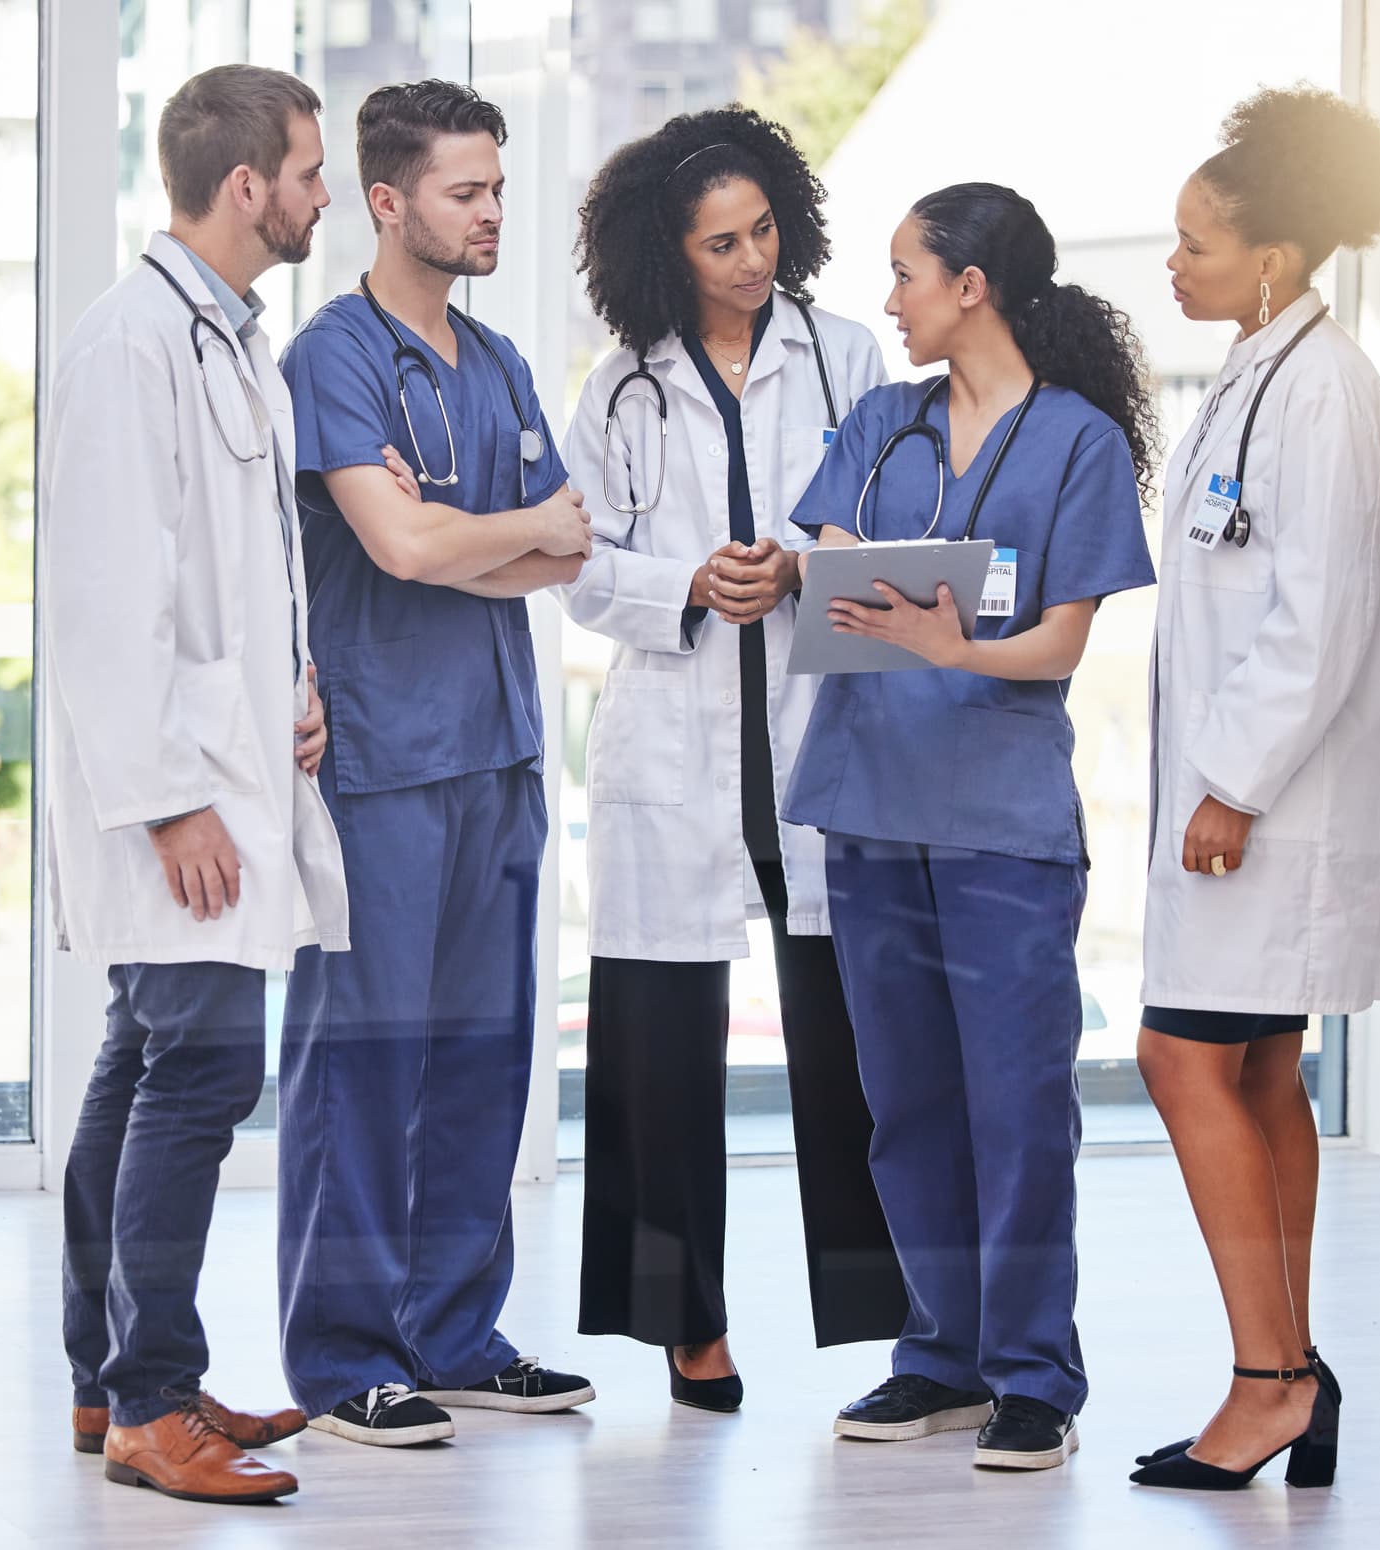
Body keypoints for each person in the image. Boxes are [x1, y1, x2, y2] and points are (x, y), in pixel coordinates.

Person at [780, 184, 1158, 1470]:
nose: (887, 302)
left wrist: (951, 640)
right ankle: (936, 1355)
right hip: (872, 804)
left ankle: (1035, 1374)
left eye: (904, 275)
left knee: (1016, 1101)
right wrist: (852, 597)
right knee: (908, 1104)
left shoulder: (1079, 443)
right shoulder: (884, 425)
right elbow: (831, 574)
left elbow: (1060, 635)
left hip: (1002, 820)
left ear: (972, 284)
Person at [556, 107, 907, 1413]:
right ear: (669, 249)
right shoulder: (620, 384)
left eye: (763, 231)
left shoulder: (850, 356)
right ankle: (686, 1322)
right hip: (677, 745)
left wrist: (803, 566)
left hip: (816, 741)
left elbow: (901, 531)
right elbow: (577, 568)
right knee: (659, 1050)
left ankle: (895, 1311)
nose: (751, 260)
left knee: (854, 1036)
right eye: (720, 242)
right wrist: (686, 582)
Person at [275, 79, 595, 1449]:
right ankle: (346, 1356)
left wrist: (473, 526)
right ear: (389, 200)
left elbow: (565, 548)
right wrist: (498, 528)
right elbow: (403, 551)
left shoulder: (504, 357)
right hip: (383, 762)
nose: (492, 215)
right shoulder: (333, 357)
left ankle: (456, 1334)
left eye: (499, 190)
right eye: (467, 193)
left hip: (502, 752)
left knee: (481, 1057)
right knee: (362, 1060)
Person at [47, 64, 345, 1506]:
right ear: (247, 188)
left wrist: (285, 693)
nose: (322, 193)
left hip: (223, 770)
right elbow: (109, 594)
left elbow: (222, 573)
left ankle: (117, 1377)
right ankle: (154, 1398)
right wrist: (172, 796)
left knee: (141, 1064)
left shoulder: (223, 338)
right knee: (202, 1070)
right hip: (173, 807)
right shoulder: (133, 345)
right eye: (308, 169)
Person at [1128, 86, 1380, 1492]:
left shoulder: (1327, 390)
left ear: (1274, 260)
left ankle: (1267, 1379)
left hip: (1269, 811)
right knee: (1255, 1067)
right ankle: (1295, 1363)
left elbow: (1321, 614)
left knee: (1182, 1060)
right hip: (1251, 808)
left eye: (1194, 243)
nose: (1171, 265)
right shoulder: (1258, 373)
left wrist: (1231, 783)